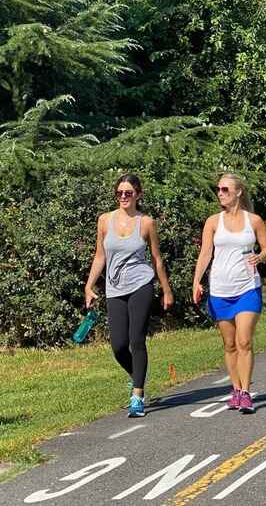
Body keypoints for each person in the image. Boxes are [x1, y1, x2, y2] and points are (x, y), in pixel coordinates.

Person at [84, 173, 174, 418]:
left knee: (136, 339)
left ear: (138, 195)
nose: (123, 197)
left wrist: (166, 289)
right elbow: (100, 255)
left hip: (140, 284)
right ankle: (138, 375)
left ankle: (137, 395)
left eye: (128, 193)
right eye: (119, 193)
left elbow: (156, 259)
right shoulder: (105, 220)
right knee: (119, 346)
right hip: (114, 289)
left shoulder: (145, 223)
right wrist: (89, 286)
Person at [192, 173, 266, 414]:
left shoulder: (254, 221)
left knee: (244, 341)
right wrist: (196, 281)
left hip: (247, 287)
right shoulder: (213, 222)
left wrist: (261, 255)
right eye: (218, 189)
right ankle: (235, 390)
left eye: (225, 189)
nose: (220, 193)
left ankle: (246, 393)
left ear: (238, 192)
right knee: (229, 344)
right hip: (219, 289)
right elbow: (205, 253)